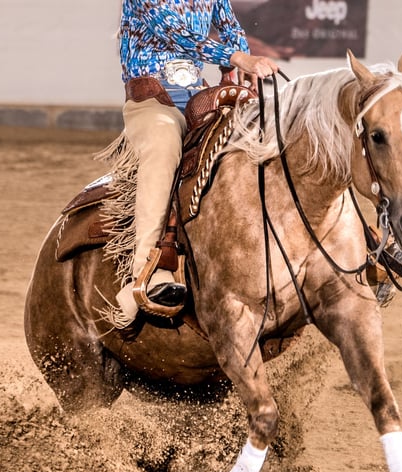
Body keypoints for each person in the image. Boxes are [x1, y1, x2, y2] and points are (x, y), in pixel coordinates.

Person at [112, 0, 280, 323]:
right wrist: (238, 58)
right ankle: (147, 271)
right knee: (163, 142)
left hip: (197, 98)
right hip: (152, 102)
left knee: (256, 141)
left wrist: (238, 64)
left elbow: (229, 26)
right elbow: (175, 33)